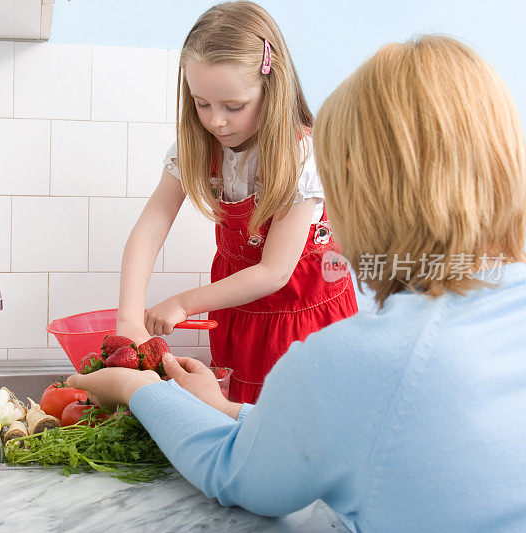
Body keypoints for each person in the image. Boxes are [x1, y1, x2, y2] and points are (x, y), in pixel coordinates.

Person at [70, 35, 526, 531]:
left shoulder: (350, 362)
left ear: (359, 196)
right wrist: (222, 406)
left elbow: (235, 472)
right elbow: (335, 429)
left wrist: (137, 387)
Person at [116, 1, 357, 403]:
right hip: (237, 317)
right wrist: (128, 314)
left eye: (234, 106)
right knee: (237, 424)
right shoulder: (196, 146)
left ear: (271, 87)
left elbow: (274, 273)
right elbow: (151, 226)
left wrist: (182, 303)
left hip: (303, 322)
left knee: (299, 424)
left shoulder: (301, 156)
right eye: (201, 103)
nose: (215, 121)